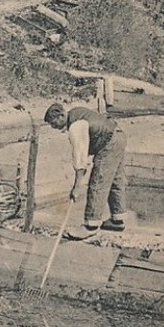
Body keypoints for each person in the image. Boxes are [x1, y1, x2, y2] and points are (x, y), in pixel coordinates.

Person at [44, 102, 127, 241]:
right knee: (115, 180)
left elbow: (80, 159)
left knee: (98, 182)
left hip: (109, 143)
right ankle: (117, 220)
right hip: (118, 136)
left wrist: (76, 187)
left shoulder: (76, 126)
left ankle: (91, 226)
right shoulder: (77, 112)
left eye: (53, 123)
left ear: (61, 115)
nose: (53, 127)